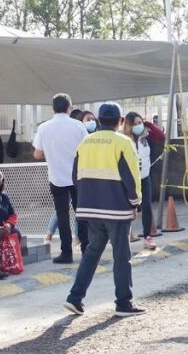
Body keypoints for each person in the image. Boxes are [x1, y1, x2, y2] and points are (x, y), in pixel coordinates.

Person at [63, 102, 146, 318]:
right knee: (122, 256)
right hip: (116, 209)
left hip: (90, 208)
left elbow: (75, 177)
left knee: (91, 253)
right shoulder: (123, 142)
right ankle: (123, 303)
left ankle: (74, 298)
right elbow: (132, 177)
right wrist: (134, 202)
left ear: (99, 120)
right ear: (120, 121)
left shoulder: (85, 142)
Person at [33, 93, 89, 262]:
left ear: (53, 108)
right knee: (82, 214)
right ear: (69, 108)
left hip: (56, 177)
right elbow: (87, 150)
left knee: (62, 215)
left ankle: (66, 253)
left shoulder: (44, 127)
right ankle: (86, 250)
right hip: (79, 177)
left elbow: (37, 154)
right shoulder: (78, 126)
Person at [43, 110, 95, 245]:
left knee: (74, 210)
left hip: (78, 176)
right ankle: (54, 235)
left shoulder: (89, 134)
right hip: (71, 176)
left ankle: (76, 239)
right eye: (88, 119)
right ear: (80, 121)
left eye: (93, 119)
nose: (92, 122)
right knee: (67, 210)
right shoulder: (77, 131)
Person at [122, 112, 157, 250]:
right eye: (134, 124)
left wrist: (147, 124)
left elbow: (161, 136)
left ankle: (147, 237)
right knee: (128, 208)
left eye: (139, 122)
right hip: (130, 178)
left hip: (144, 176)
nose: (138, 126)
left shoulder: (145, 137)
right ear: (128, 126)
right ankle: (124, 237)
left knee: (147, 206)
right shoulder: (124, 140)